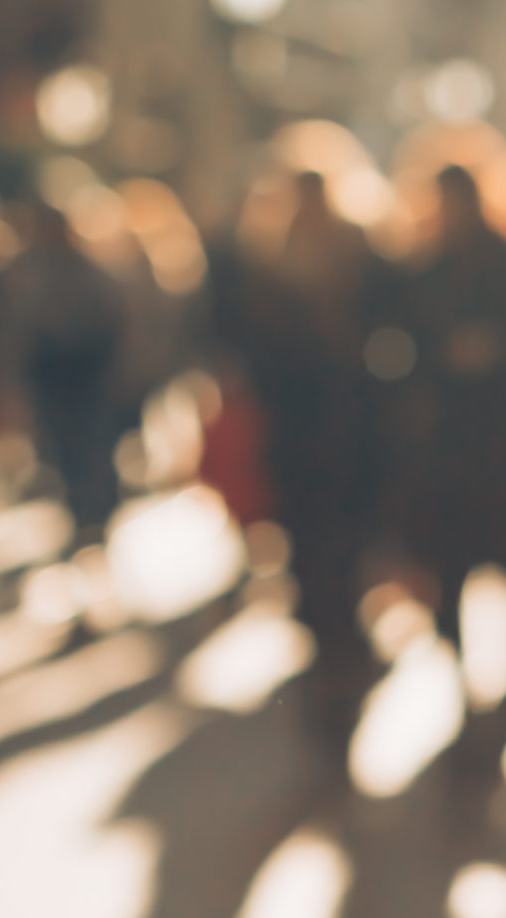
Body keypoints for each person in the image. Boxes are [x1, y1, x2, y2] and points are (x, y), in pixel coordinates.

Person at [219, 169, 385, 667]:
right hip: (293, 419)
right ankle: (318, 619)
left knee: (347, 525)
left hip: (349, 418)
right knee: (304, 524)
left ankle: (346, 617)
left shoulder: (359, 260)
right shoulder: (268, 267)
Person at [393, 164, 506, 632]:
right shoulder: (424, 272)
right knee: (453, 555)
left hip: (504, 427)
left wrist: (498, 352)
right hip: (449, 435)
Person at [0, 195, 130, 549]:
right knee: (63, 451)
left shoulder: (91, 271)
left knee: (94, 447)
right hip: (52, 379)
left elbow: (116, 319)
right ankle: (81, 514)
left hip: (88, 375)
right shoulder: (28, 276)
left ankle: (96, 514)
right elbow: (12, 332)